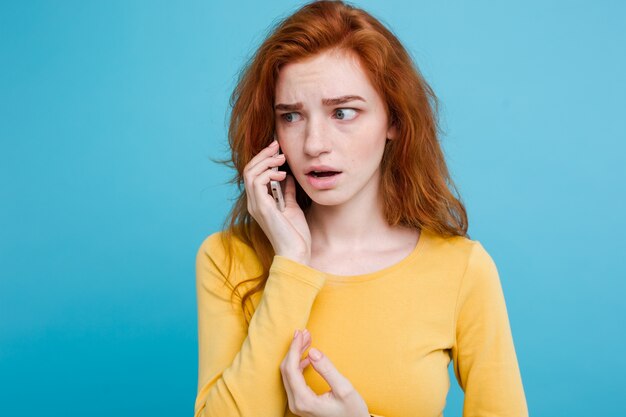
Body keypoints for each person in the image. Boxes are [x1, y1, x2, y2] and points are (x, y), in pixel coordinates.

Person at [194, 1, 528, 416]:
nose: (315, 143)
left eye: (343, 112)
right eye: (293, 116)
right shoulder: (226, 260)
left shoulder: (462, 270)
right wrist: (292, 266)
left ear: (394, 120)